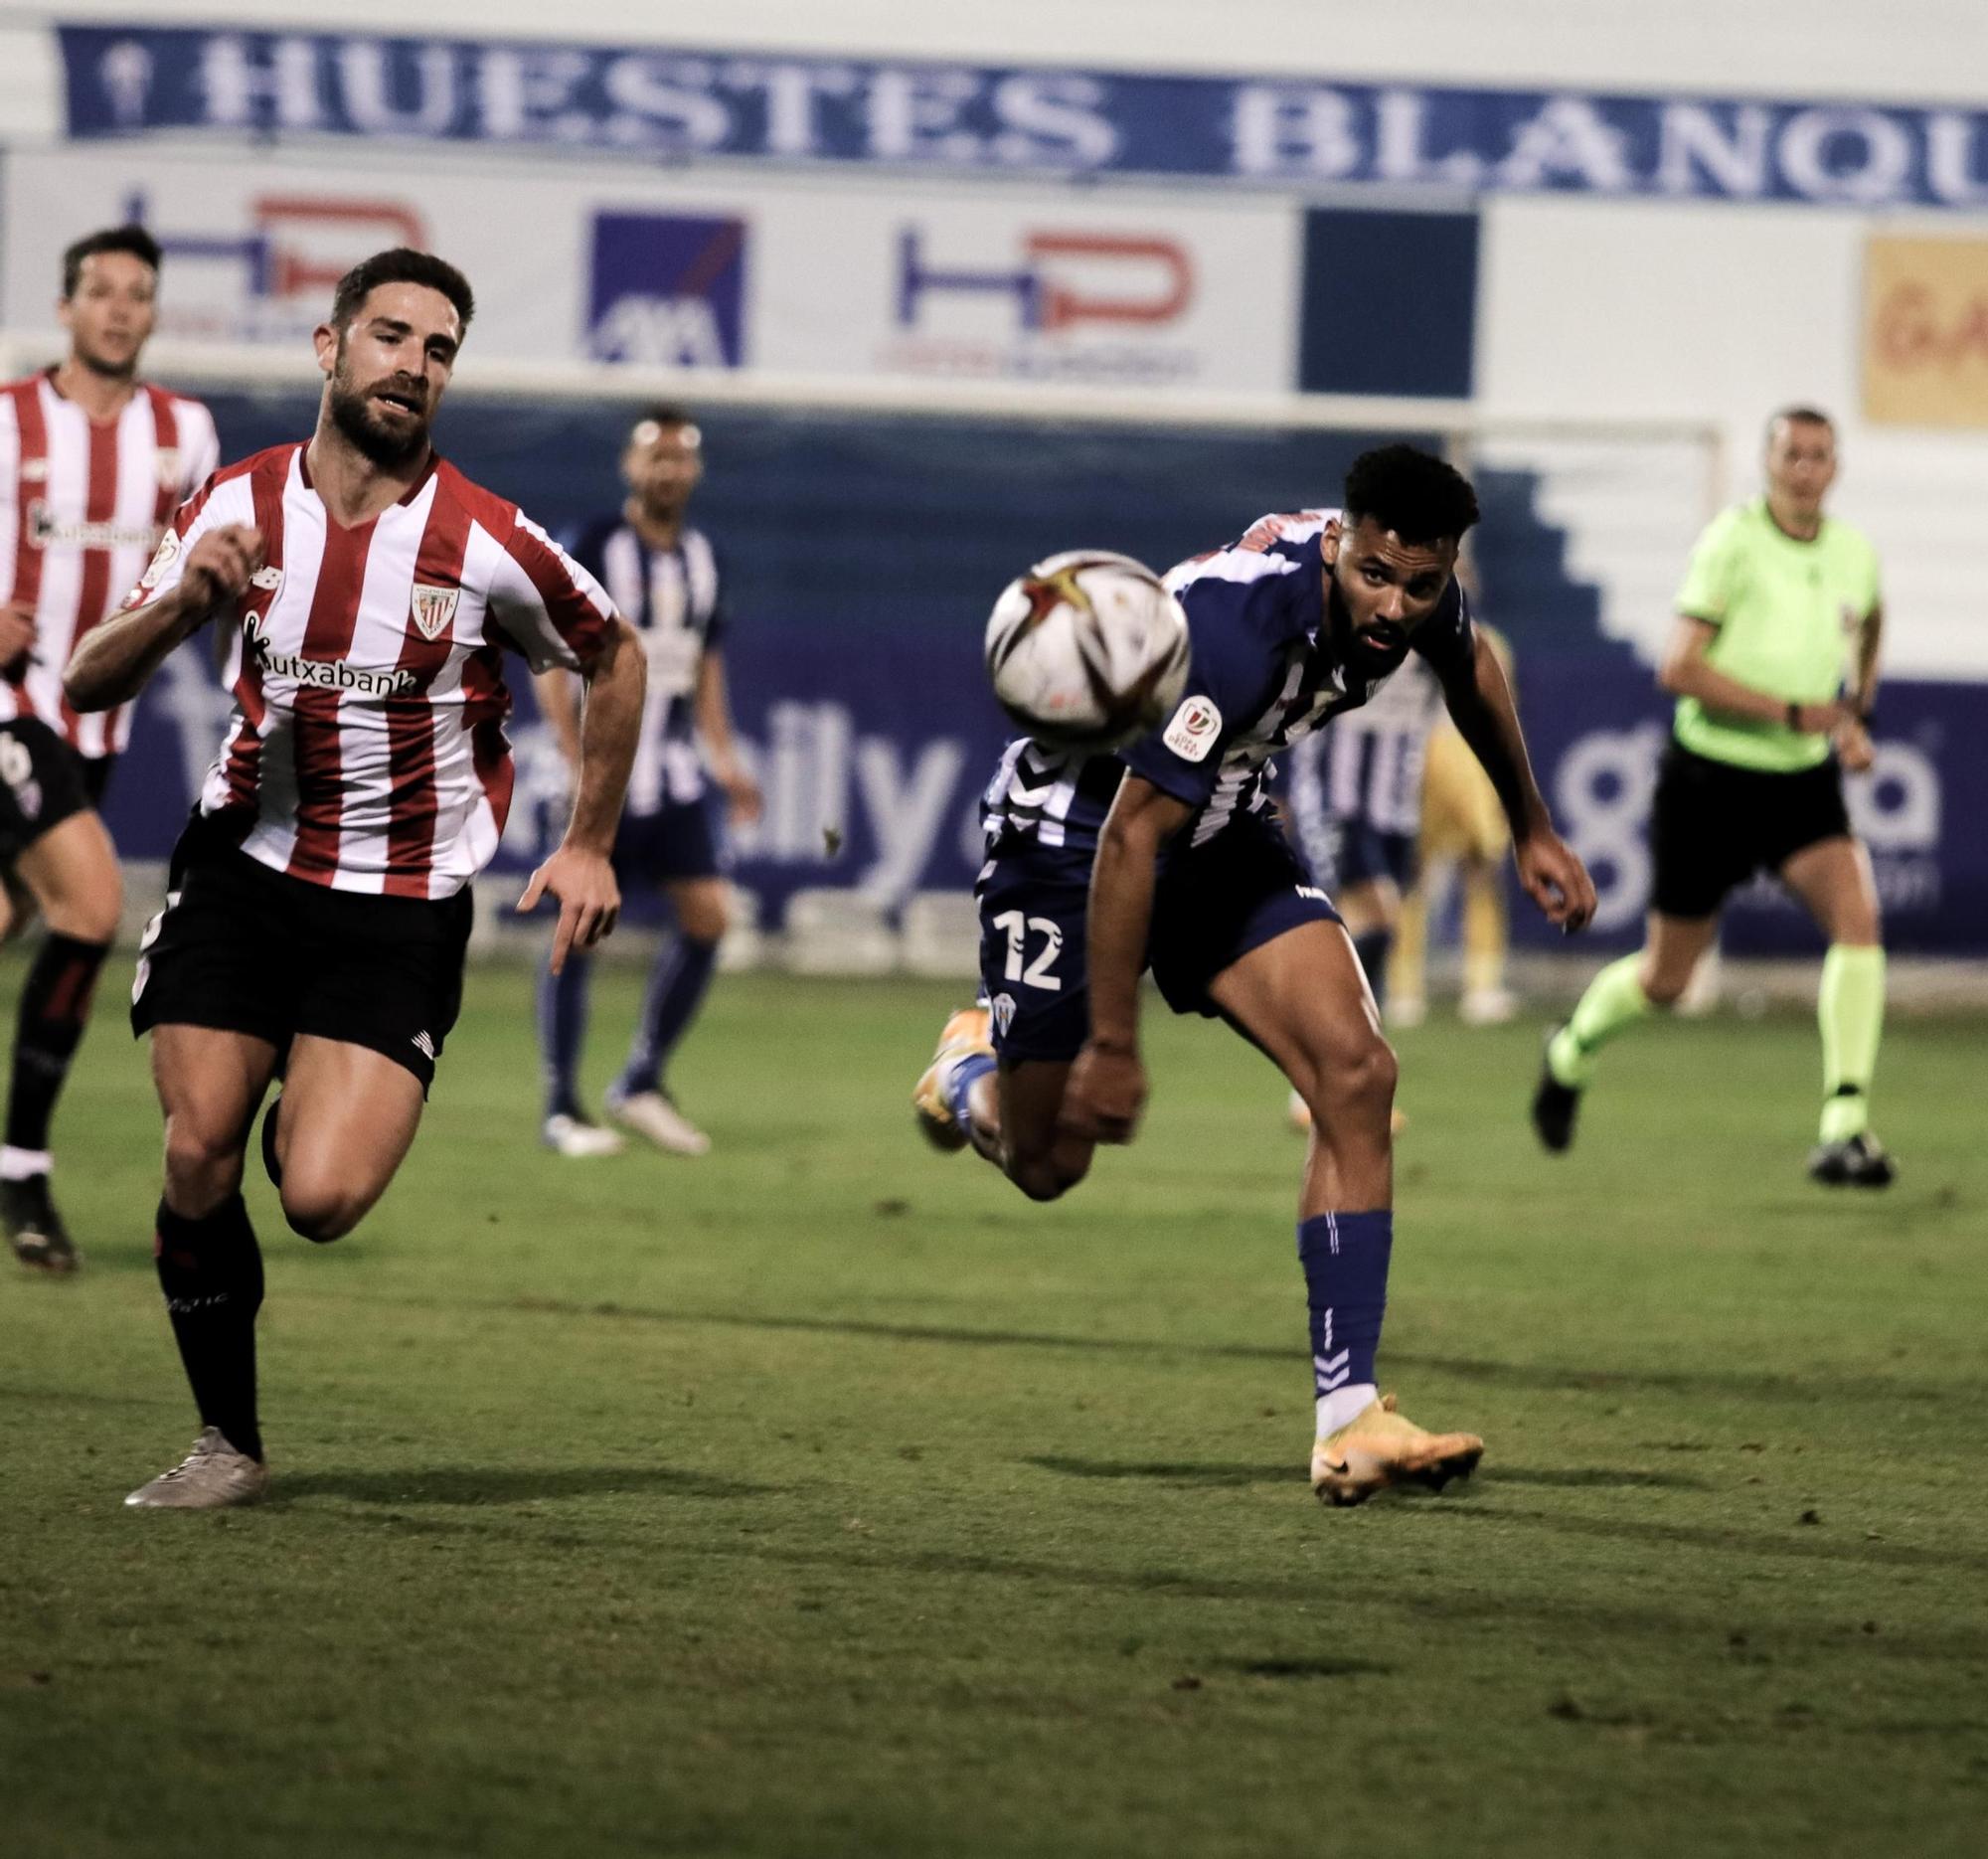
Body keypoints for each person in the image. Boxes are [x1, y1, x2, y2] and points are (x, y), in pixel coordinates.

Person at [64, 248, 644, 1508]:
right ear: (329, 349)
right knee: (197, 1147)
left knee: (319, 1196)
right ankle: (228, 1441)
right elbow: (88, 677)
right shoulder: (236, 503)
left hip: (398, 906)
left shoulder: (485, 538)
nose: (412, 366)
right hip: (246, 871)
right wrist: (178, 611)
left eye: (437, 351)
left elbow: (617, 651)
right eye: (389, 337)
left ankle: (310, 1086)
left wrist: (589, 837)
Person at [916, 446, 1595, 1505]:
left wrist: (1531, 827)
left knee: (1356, 1073)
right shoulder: (1236, 634)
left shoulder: (1417, 593)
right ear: (1340, 541)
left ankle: (1348, 1421)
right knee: (1049, 1164)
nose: (1394, 605)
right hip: (1071, 843)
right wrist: (1111, 1045)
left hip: (1217, 832)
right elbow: (1130, 841)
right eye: (1375, 574)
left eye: (1420, 584)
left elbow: (1470, 669)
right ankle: (966, 1069)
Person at [1532, 408, 1891, 1187]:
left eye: (1819, 455)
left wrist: (1855, 715)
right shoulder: (1732, 542)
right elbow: (1679, 669)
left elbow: (1869, 625)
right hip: (1710, 780)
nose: (1805, 467)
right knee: (1666, 979)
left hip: (1800, 782)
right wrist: (1795, 712)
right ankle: (1570, 1051)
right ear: (1768, 464)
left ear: (1836, 468)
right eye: (1791, 454)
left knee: (1858, 921)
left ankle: (1843, 1125)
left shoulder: (1855, 555)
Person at [0, 224, 219, 1270]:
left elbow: (202, 577)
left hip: (95, 725)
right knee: (91, 905)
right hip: (9, 707)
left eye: (138, 293)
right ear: (67, 307)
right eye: (101, 291)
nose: (120, 308)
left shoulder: (185, 433)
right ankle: (23, 1172)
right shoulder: (8, 422)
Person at [535, 406, 761, 1158]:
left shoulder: (707, 556)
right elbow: (550, 656)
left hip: (675, 774)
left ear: (694, 471)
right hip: (607, 778)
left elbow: (705, 665)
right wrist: (575, 759)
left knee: (708, 920)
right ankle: (562, 1107)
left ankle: (640, 1080)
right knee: (581, 931)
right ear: (630, 469)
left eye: (679, 458)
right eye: (654, 457)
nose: (667, 470)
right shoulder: (595, 544)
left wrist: (724, 757)